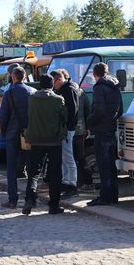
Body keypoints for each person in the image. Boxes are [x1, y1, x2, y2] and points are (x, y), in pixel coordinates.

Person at [22, 74, 67, 215]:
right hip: (54, 140)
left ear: (40, 85)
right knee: (55, 173)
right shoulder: (58, 100)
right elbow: (64, 118)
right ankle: (54, 204)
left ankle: (30, 198)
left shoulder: (32, 99)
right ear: (52, 84)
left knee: (34, 172)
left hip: (36, 139)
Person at [86, 62, 123, 206]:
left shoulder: (99, 87)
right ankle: (113, 195)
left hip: (101, 130)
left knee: (103, 166)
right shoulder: (115, 86)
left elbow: (99, 111)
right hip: (111, 129)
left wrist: (90, 121)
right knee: (112, 166)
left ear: (95, 74)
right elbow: (119, 110)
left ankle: (105, 196)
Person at [0, 66, 35, 209]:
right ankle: (30, 198)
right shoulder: (33, 92)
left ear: (13, 77)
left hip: (12, 134)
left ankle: (13, 199)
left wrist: (5, 132)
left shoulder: (9, 93)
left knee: (12, 169)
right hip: (29, 134)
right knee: (32, 167)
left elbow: (3, 115)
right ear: (25, 76)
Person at [50, 68, 81, 200]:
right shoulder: (67, 88)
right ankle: (67, 182)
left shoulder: (68, 90)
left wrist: (65, 124)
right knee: (65, 156)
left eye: (54, 83)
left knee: (68, 156)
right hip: (67, 127)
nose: (53, 86)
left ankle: (71, 185)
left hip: (67, 128)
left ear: (59, 79)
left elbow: (72, 110)